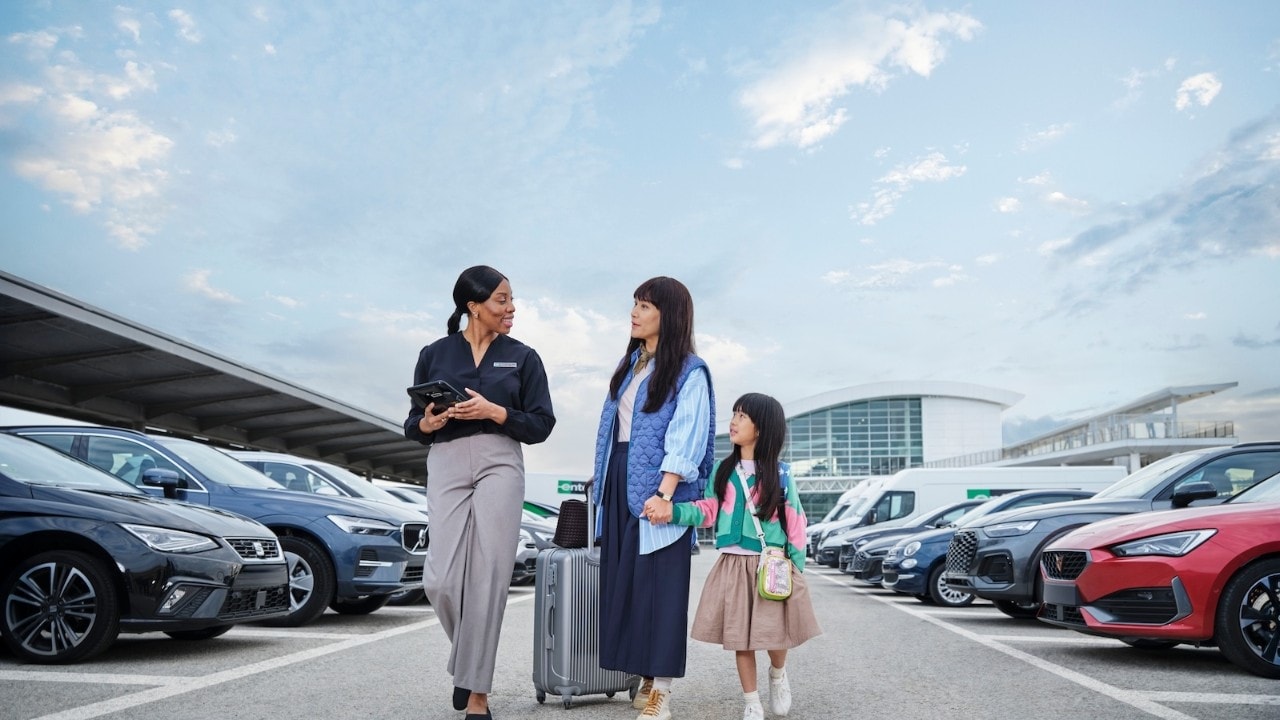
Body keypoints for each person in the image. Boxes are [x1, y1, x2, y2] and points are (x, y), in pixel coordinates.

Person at [404, 265, 555, 720]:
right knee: (440, 580)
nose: (511, 308)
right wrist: (427, 423)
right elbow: (414, 422)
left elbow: (542, 423)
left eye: (511, 299)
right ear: (474, 306)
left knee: (489, 575)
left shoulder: (523, 357)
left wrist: (495, 410)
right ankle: (468, 667)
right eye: (501, 300)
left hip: (500, 459)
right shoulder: (434, 353)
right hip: (446, 459)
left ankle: (476, 696)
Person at [590, 276, 715, 720]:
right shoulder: (630, 365)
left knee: (662, 588)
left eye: (644, 305)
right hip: (620, 478)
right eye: (635, 304)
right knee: (628, 585)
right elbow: (614, 432)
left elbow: (689, 436)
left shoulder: (688, 370)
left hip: (662, 484)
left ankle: (662, 688)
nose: (634, 312)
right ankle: (645, 673)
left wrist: (665, 493)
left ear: (670, 314)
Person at [653, 392, 821, 720]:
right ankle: (752, 702)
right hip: (732, 563)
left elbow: (796, 523)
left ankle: (777, 674)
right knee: (741, 638)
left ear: (762, 428)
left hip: (770, 564)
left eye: (742, 416)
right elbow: (710, 510)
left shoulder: (781, 474)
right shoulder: (724, 469)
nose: (733, 421)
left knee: (775, 634)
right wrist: (674, 512)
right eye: (734, 414)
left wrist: (796, 569)